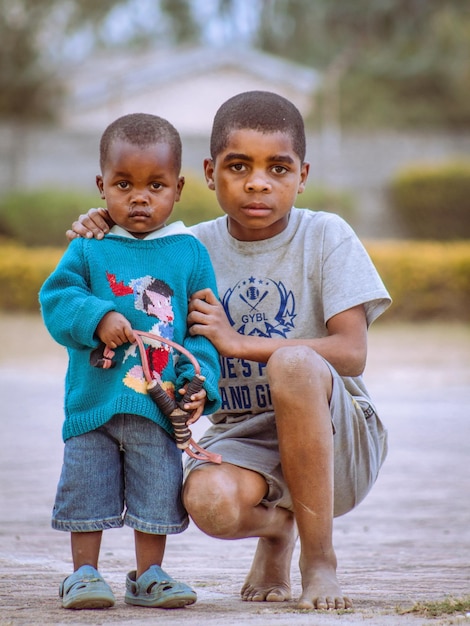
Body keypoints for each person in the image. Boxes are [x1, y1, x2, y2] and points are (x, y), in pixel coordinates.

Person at [67, 91, 391, 611]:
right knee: (207, 502)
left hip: (338, 440)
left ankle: (319, 559)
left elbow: (351, 353)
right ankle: (278, 532)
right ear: (210, 172)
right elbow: (121, 255)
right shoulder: (185, 248)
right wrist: (104, 223)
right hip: (243, 439)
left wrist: (240, 343)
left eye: (278, 168)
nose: (258, 182)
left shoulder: (326, 235)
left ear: (302, 175)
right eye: (239, 166)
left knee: (294, 363)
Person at [40, 113, 221, 610]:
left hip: (156, 407)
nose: (140, 197)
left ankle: (149, 576)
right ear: (101, 185)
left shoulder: (189, 253)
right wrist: (96, 317)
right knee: (86, 487)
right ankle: (83, 575)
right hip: (93, 401)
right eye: (124, 184)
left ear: (179, 189)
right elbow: (56, 300)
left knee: (156, 489)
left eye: (155, 185)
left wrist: (198, 384)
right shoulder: (89, 246)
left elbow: (202, 335)